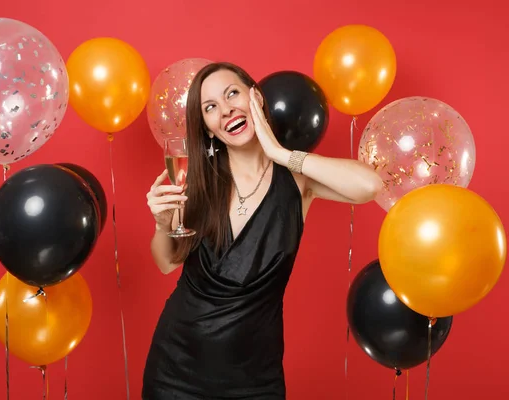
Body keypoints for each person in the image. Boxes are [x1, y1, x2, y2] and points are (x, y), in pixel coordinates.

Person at [142, 62, 382, 399]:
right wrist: (162, 224)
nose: (226, 111)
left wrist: (280, 153)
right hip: (175, 368)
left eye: (232, 94)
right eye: (210, 108)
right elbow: (166, 262)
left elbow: (370, 185)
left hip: (254, 378)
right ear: (208, 128)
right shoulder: (195, 181)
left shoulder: (297, 179)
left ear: (256, 97)